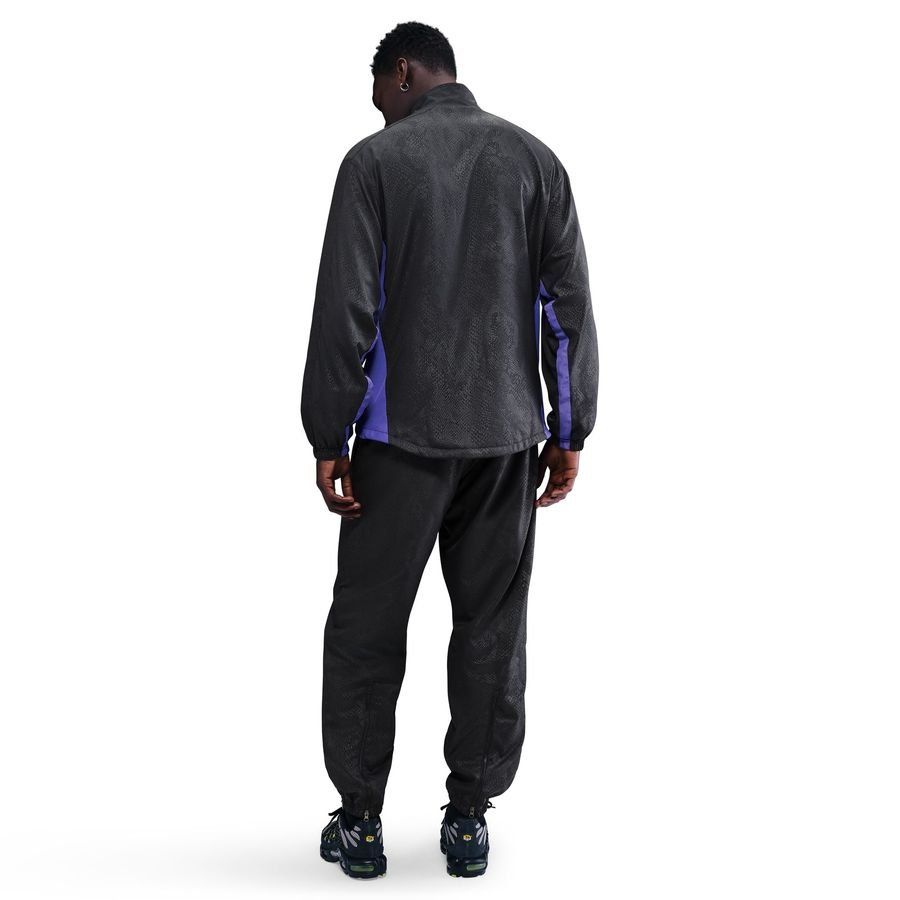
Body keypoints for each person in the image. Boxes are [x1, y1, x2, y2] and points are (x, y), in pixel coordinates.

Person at [301, 21, 598, 879]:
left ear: (402, 71)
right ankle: (469, 818)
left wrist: (328, 433)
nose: (380, 114)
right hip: (507, 444)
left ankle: (360, 823)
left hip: (398, 444)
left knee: (366, 630)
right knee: (491, 631)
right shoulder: (536, 161)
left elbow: (346, 311)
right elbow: (568, 308)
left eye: (381, 98)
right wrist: (569, 429)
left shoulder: (374, 163)